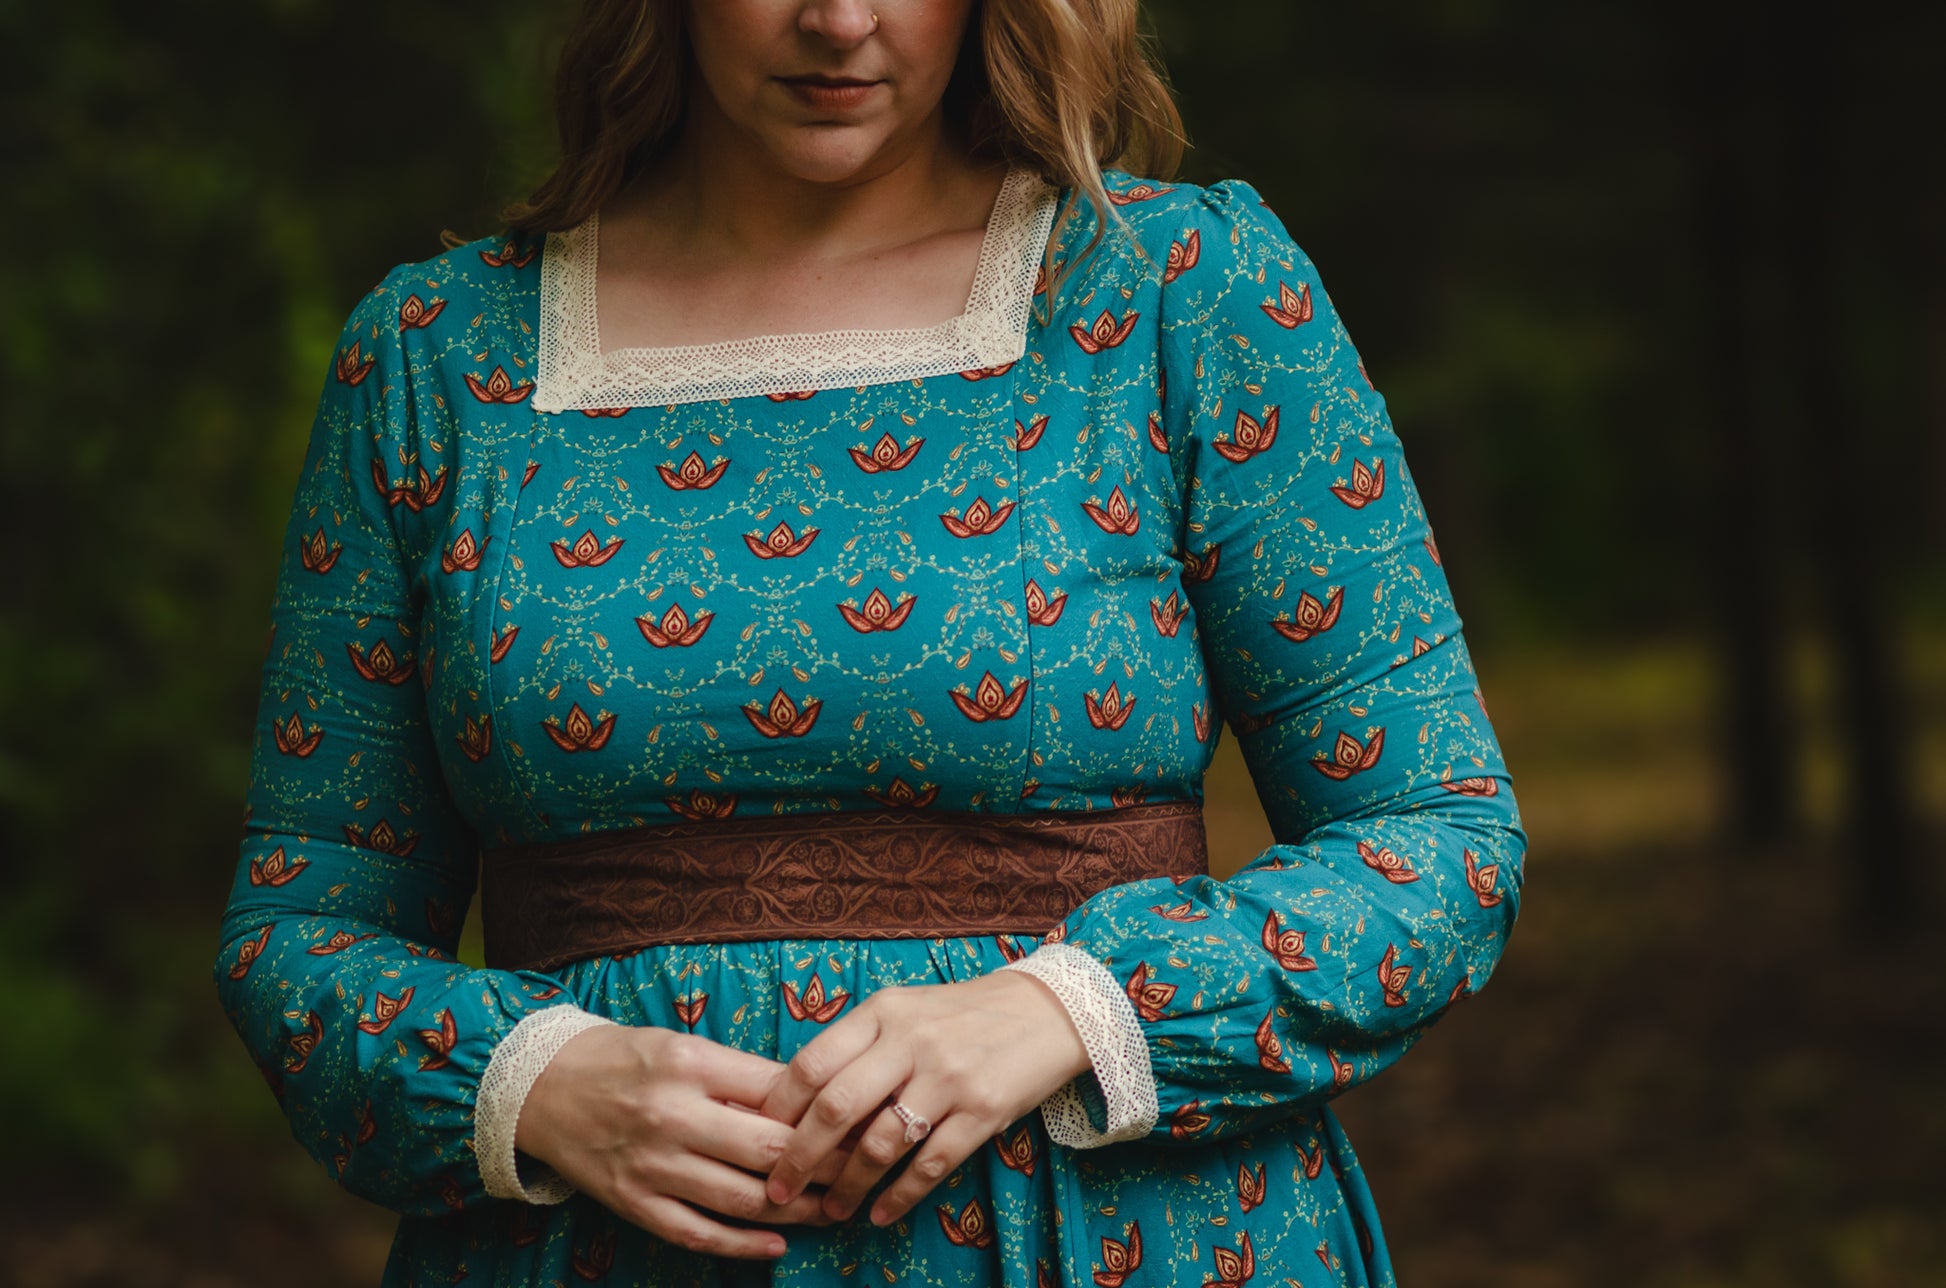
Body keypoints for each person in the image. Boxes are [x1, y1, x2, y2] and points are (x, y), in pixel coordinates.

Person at [210, 0, 1530, 1283]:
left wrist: (1069, 1008)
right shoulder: (438, 357)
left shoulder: (1176, 288)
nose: (839, 21)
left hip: (1126, 1241)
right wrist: (527, 1078)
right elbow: (301, 929)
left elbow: (1434, 843)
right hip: (592, 1253)